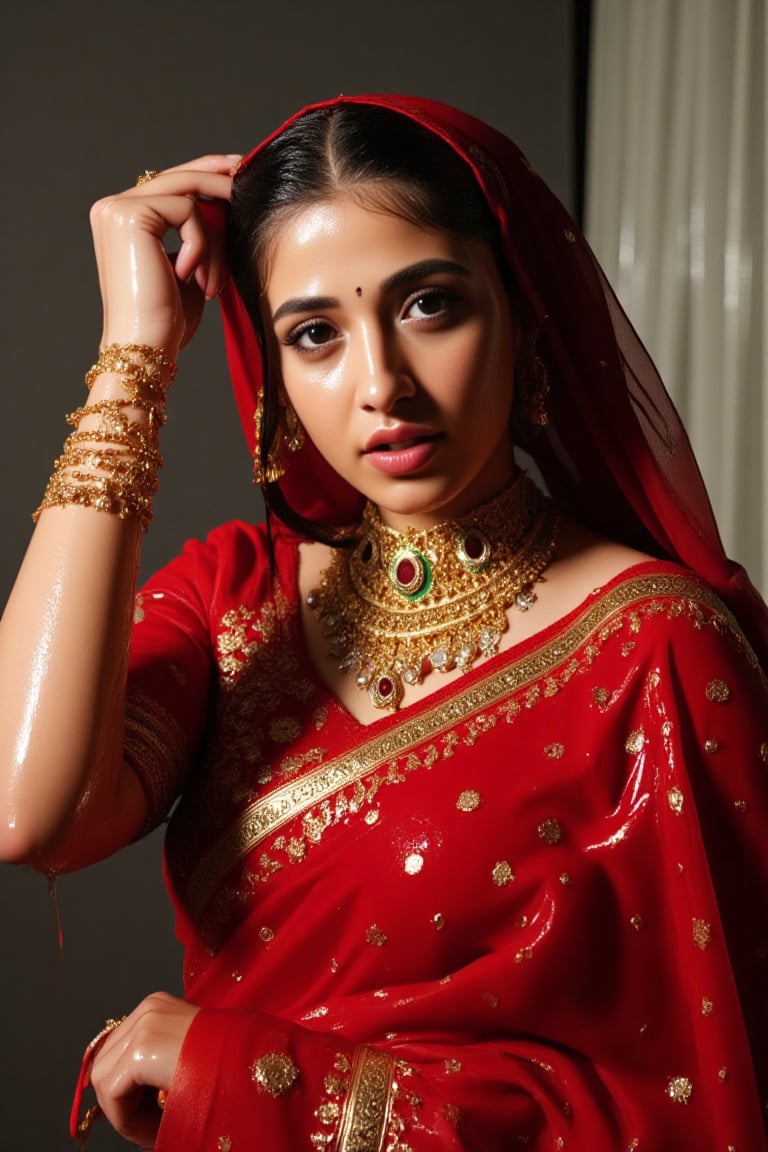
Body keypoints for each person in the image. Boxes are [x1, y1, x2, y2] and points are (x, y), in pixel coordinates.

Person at [0, 94, 766, 1152]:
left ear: (522, 315)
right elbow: (30, 811)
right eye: (314, 334)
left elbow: (709, 1102)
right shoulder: (239, 601)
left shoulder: (656, 647)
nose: (382, 386)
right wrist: (134, 355)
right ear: (274, 374)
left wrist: (249, 1075)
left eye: (429, 306)